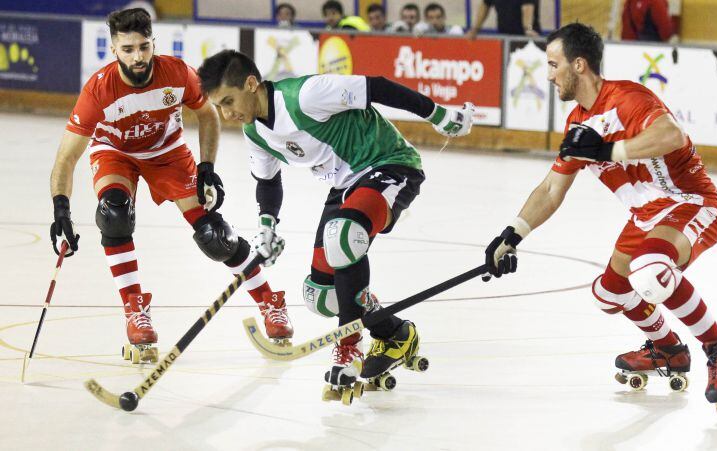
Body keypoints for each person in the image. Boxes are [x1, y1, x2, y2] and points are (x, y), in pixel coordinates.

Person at [484, 23, 717, 413]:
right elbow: (550, 190)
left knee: (648, 270)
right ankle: (669, 350)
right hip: (646, 216)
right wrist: (511, 235)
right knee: (608, 292)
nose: (548, 74)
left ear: (579, 65)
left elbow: (671, 135)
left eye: (553, 64)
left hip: (691, 202)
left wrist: (609, 150)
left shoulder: (627, 98)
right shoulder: (578, 125)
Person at [196, 49, 474, 393]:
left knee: (343, 238)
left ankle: (348, 347)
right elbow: (267, 181)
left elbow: (378, 87)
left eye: (228, 101)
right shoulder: (255, 132)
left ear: (251, 84)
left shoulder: (306, 95)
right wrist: (267, 227)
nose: (226, 114)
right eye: (219, 107)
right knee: (321, 294)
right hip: (344, 185)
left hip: (390, 163)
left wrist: (437, 113)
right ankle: (395, 335)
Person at [48, 8, 293, 363]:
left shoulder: (177, 73)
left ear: (153, 43)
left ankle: (270, 301)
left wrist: (207, 166)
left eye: (144, 47)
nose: (137, 57)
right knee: (114, 214)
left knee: (216, 238)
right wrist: (61, 209)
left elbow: (207, 114)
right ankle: (135, 310)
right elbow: (65, 158)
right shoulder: (98, 90)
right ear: (114, 48)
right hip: (116, 152)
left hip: (168, 152)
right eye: (128, 49)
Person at [467, 0, 540, 39]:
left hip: (526, 39)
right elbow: (485, 5)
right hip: (505, 38)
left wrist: (528, 29)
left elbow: (527, 7)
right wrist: (475, 29)